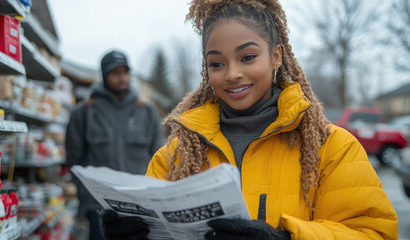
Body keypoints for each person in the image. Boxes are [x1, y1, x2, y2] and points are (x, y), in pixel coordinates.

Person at [100, 0, 398, 239]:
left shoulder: (332, 148)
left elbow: (374, 233)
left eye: (247, 57)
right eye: (216, 63)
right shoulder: (175, 157)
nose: (231, 74)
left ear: (276, 56)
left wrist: (286, 237)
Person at [66, 50, 165, 240]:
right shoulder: (85, 112)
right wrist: (86, 197)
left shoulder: (146, 111)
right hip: (100, 208)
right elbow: (74, 161)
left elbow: (158, 158)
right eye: (115, 72)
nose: (122, 77)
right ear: (104, 76)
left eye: (125, 72)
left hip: (140, 206)